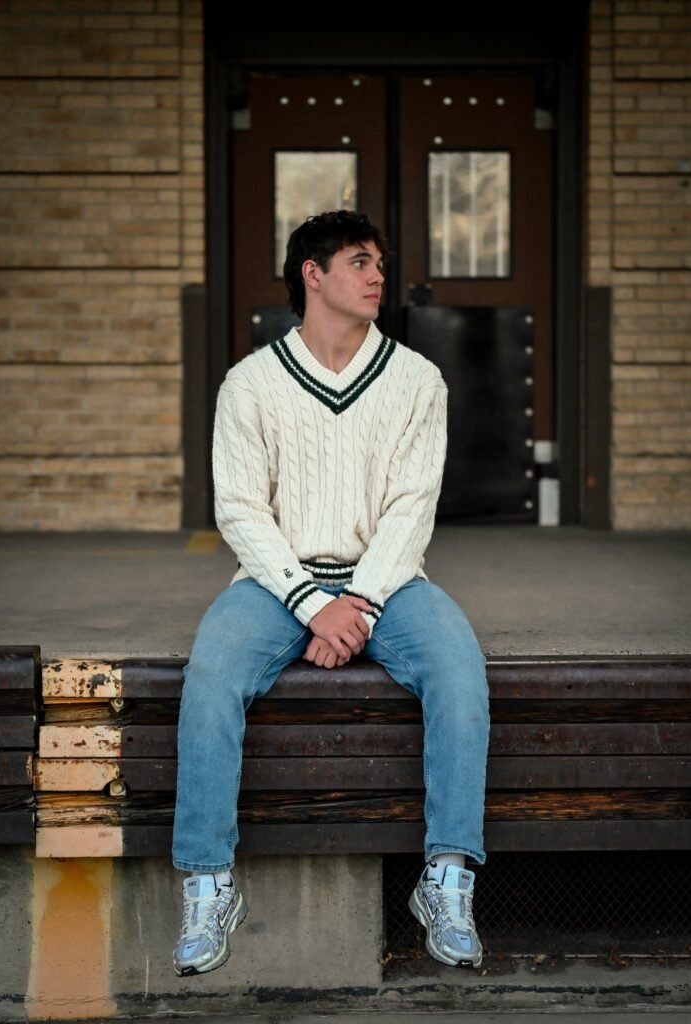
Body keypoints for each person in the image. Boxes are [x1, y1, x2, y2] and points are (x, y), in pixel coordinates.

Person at [172, 210, 489, 976]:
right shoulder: (250, 383)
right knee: (210, 675)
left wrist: (361, 602)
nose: (377, 275)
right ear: (312, 275)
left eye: (378, 261)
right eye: (358, 261)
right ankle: (208, 881)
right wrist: (315, 606)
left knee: (458, 670)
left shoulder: (416, 379)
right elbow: (239, 511)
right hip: (278, 579)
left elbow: (412, 508)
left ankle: (447, 879)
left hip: (389, 578)